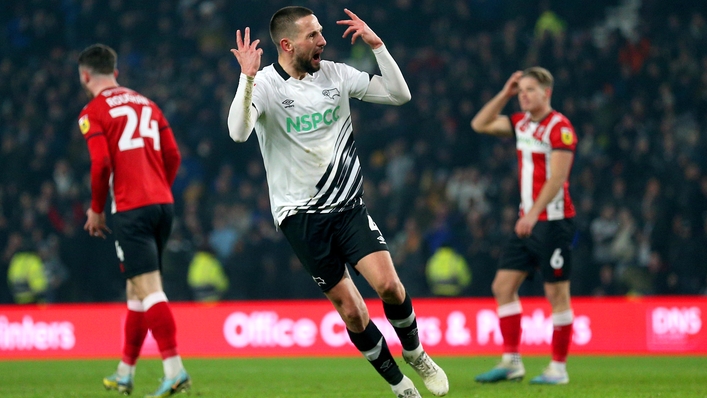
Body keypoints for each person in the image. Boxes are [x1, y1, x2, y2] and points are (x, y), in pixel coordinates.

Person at [227, 6, 448, 398]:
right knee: (352, 311)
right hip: (300, 218)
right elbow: (239, 133)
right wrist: (245, 79)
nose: (323, 41)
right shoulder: (263, 85)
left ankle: (416, 354)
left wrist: (378, 47)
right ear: (287, 44)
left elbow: (400, 94)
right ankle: (400, 386)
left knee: (390, 287)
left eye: (321, 32)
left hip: (348, 206)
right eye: (313, 35)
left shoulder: (336, 74)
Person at [78, 43, 190, 397]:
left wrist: (97, 208)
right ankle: (125, 372)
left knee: (150, 288)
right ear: (116, 72)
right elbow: (172, 154)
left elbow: (101, 164)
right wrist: (158, 187)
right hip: (162, 205)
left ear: (84, 76)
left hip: (130, 209)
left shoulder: (93, 111)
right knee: (136, 291)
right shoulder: (148, 104)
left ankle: (174, 370)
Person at [470, 67, 578, 385]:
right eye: (521, 91)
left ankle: (558, 368)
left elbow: (558, 177)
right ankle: (512, 362)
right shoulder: (521, 124)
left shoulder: (560, 128)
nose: (524, 95)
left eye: (530, 89)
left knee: (556, 293)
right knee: (503, 287)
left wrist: (533, 214)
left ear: (547, 93)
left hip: (553, 223)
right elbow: (480, 124)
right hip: (526, 222)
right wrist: (504, 93)